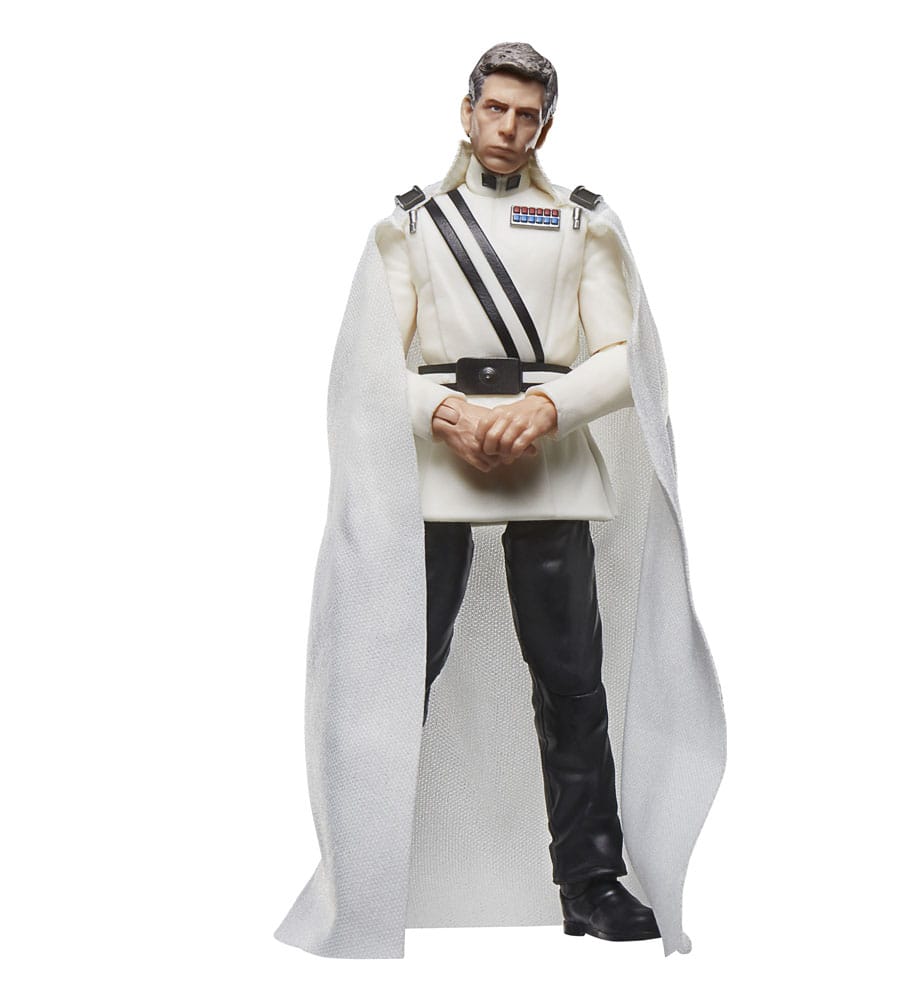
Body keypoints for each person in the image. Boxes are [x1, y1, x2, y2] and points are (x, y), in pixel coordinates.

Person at [275, 42, 726, 960]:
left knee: (572, 680)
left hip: (547, 460)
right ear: (468, 110)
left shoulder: (583, 225)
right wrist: (439, 409)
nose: (509, 128)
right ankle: (368, 872)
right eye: (496, 109)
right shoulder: (411, 227)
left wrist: (548, 407)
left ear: (545, 126)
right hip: (435, 468)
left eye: (527, 115)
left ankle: (590, 879)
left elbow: (624, 357)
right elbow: (370, 361)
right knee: (397, 672)